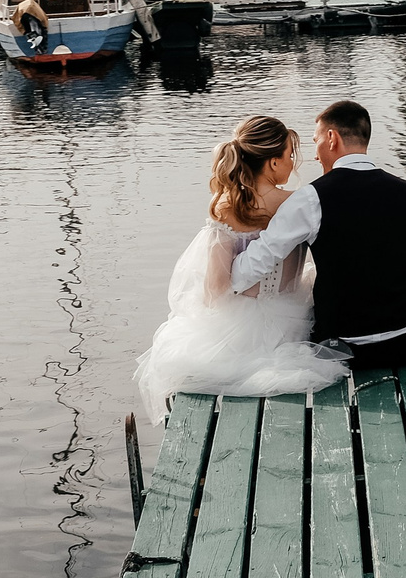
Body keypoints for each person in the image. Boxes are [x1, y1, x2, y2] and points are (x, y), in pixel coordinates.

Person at [132, 115, 351, 421]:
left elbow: (216, 289)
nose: (294, 164)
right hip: (292, 320)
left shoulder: (226, 206)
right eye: (290, 156)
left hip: (235, 326)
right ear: (273, 163)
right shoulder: (300, 202)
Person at [231, 98, 406, 371]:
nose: (315, 155)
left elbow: (248, 270)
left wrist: (224, 254)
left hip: (340, 350)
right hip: (405, 343)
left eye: (315, 141)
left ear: (331, 138)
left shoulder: (310, 199)